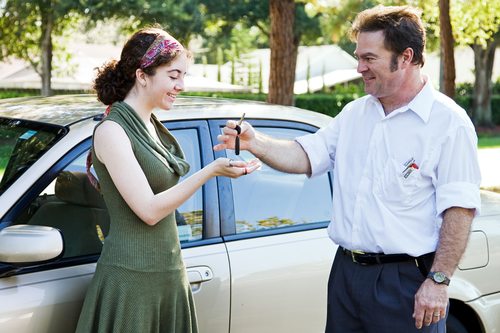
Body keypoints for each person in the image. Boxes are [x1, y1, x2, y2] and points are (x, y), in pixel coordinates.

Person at [214, 5, 481, 333]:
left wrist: (438, 281)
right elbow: (305, 156)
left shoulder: (448, 123)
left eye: (370, 58)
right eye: (359, 57)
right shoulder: (355, 114)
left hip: (405, 283)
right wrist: (256, 142)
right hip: (345, 275)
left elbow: (459, 210)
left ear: (406, 57)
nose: (359, 68)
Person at [75, 27, 260, 333]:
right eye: (173, 76)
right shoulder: (112, 131)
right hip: (132, 279)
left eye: (183, 76)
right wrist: (211, 170)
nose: (181, 85)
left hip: (168, 273)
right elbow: (148, 210)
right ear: (142, 75)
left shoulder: (151, 124)